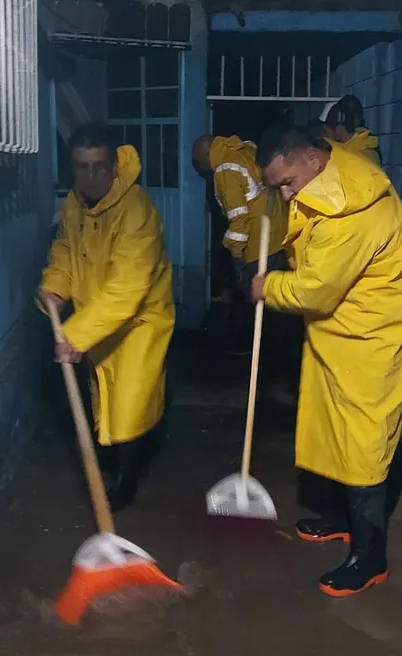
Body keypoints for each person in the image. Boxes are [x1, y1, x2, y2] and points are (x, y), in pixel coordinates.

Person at [251, 124, 402, 597]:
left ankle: (370, 557)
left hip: (373, 335)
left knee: (364, 441)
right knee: (332, 427)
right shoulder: (330, 171)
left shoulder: (352, 210)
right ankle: (341, 519)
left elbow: (317, 290)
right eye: (277, 187)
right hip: (340, 331)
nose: (285, 195)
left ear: (311, 157)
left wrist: (267, 287)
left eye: (287, 182)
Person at [38, 123, 175, 513]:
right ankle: (116, 464)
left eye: (99, 166)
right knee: (105, 401)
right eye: (82, 167)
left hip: (138, 322)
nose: (92, 175)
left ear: (115, 166)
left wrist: (76, 336)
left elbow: (127, 288)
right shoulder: (71, 205)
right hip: (94, 313)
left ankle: (127, 479)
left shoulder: (137, 213)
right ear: (72, 169)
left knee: (130, 405)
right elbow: (65, 249)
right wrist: (55, 286)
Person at [192, 134, 298, 403]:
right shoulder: (247, 150)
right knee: (278, 313)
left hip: (257, 249)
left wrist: (234, 254)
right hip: (279, 241)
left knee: (262, 312)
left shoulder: (225, 170)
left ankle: (265, 378)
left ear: (205, 159)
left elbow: (239, 222)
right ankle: (276, 371)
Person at [322, 95, 382, 166]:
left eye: (325, 132)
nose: (324, 136)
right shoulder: (345, 148)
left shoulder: (365, 154)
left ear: (338, 128)